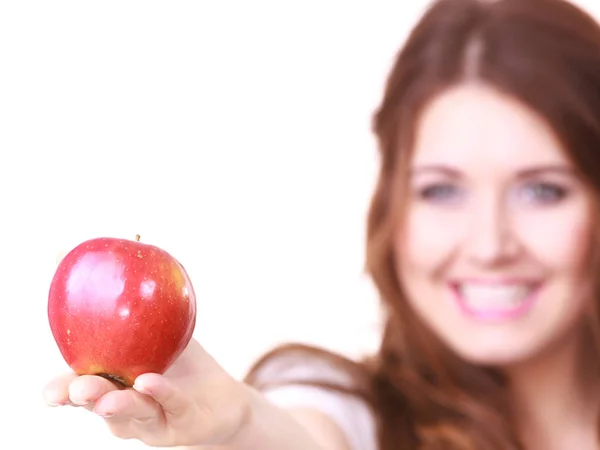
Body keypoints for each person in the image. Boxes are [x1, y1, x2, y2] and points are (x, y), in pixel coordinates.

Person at [42, 0, 600, 448]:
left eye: (542, 190)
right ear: (393, 207)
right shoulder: (352, 414)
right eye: (442, 190)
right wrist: (240, 429)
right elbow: (303, 434)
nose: (489, 245)